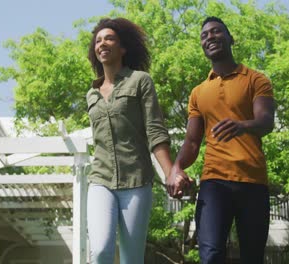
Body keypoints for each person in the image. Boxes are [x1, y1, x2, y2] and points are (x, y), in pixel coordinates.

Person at [167, 16, 275, 264]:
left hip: (253, 181)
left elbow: (266, 121)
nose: (210, 37)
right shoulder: (198, 92)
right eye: (204, 35)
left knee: (252, 257)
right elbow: (192, 142)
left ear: (230, 38)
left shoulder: (256, 80)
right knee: (211, 254)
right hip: (214, 182)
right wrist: (176, 168)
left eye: (216, 32)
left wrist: (242, 126)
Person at [86, 18, 173, 264]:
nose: (102, 43)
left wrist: (170, 173)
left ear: (122, 48)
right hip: (100, 179)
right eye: (98, 40)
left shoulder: (140, 81)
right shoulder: (91, 93)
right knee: (101, 250)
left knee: (131, 259)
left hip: (136, 180)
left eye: (109, 38)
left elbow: (155, 130)